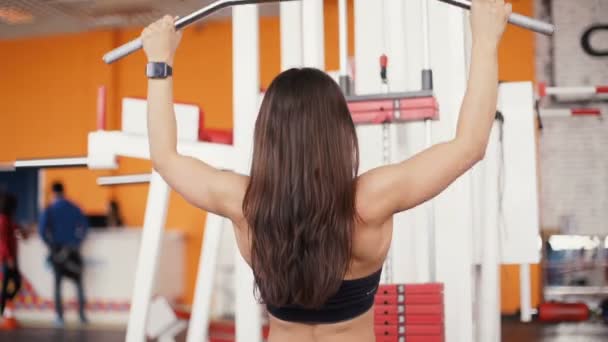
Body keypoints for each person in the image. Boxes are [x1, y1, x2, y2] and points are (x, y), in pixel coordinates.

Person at [141, 0, 511, 340]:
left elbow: (165, 158)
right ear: (339, 133)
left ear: (267, 135)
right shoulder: (371, 199)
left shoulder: (244, 204)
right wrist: (485, 40)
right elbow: (469, 145)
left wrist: (160, 63)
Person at [39, 182, 88, 326]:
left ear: (53, 193)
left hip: (58, 251)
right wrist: (78, 242)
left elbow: (42, 231)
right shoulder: (74, 207)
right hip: (73, 250)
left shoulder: (49, 209)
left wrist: (50, 245)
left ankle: (60, 317)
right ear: (63, 191)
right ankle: (82, 316)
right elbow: (84, 226)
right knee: (78, 283)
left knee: (58, 284)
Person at [0, 193, 22, 316]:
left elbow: (14, 228)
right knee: (10, 284)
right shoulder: (3, 220)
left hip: (10, 258)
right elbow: (3, 242)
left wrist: (23, 230)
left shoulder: (7, 219)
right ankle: (3, 310)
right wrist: (9, 258)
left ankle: (4, 308)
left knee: (14, 283)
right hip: (6, 258)